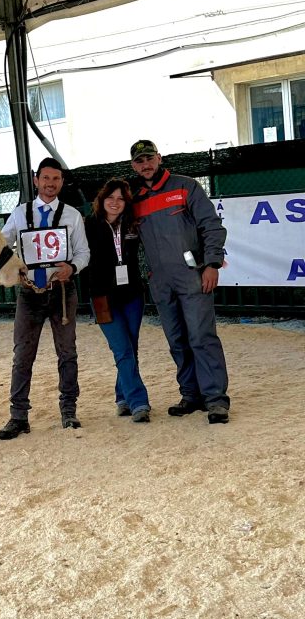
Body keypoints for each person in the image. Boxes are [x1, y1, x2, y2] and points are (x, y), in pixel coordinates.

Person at [129, 138, 230, 425]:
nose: (145, 164)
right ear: (133, 166)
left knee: (201, 337)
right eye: (139, 161)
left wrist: (212, 264)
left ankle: (216, 400)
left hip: (193, 276)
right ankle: (191, 395)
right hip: (160, 282)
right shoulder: (135, 200)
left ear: (159, 158)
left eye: (149, 158)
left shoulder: (186, 187)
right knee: (176, 340)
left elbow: (211, 226)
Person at [0, 157, 90, 437]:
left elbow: (83, 252)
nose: (51, 184)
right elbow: (3, 245)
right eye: (46, 178)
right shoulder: (20, 213)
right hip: (29, 293)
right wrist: (14, 267)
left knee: (67, 351)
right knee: (23, 354)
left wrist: (72, 267)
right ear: (36, 180)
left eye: (56, 179)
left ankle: (69, 410)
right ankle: (18, 416)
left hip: (62, 292)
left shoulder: (72, 215)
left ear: (62, 182)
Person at [85, 178, 150, 423]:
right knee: (122, 349)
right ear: (102, 200)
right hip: (103, 298)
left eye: (120, 198)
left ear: (126, 202)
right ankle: (139, 402)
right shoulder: (89, 225)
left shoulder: (133, 225)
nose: (115, 202)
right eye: (110, 197)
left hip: (133, 295)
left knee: (129, 349)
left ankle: (122, 397)